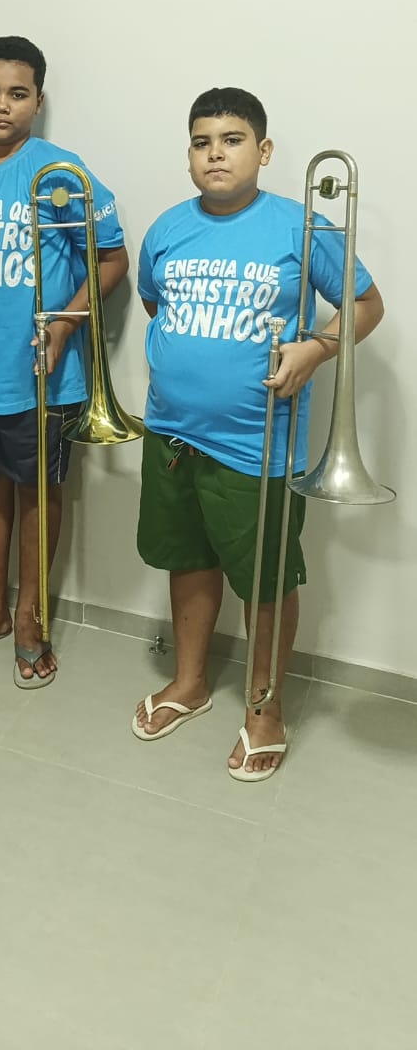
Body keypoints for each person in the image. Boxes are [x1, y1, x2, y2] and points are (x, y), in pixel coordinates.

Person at [132, 87, 385, 777]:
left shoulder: (302, 227)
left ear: (264, 151)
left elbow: (366, 305)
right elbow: (156, 303)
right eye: (202, 142)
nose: (215, 153)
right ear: (189, 153)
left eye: (232, 140)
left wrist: (317, 350)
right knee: (187, 559)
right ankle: (190, 682)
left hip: (259, 445)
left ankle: (264, 709)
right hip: (171, 433)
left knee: (265, 580)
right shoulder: (167, 228)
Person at [0, 36, 129, 688]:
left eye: (18, 94)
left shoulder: (61, 171)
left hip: (42, 372)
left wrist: (66, 325)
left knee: (39, 491)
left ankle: (29, 615)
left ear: (38, 102)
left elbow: (112, 260)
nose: (2, 105)